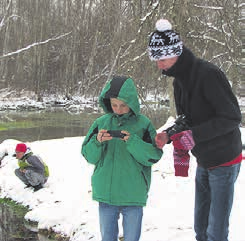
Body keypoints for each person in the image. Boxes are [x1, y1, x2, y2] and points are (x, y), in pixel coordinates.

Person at [148, 19, 242, 241]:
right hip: (204, 159)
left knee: (216, 232)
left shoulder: (208, 74)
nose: (158, 64)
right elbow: (186, 119)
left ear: (176, 53)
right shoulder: (179, 81)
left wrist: (193, 136)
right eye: (155, 59)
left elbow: (231, 117)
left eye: (161, 58)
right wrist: (169, 135)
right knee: (201, 228)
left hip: (225, 160)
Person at [81, 76, 163, 241]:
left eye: (123, 105)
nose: (118, 109)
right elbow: (88, 155)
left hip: (133, 194)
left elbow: (153, 156)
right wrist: (97, 142)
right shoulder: (101, 123)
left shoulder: (144, 124)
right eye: (114, 105)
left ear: (132, 102)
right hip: (106, 192)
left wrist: (132, 141)